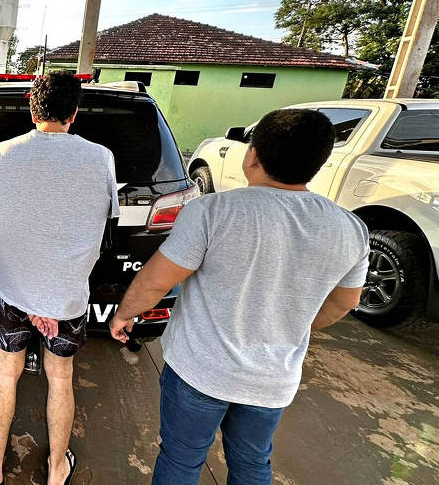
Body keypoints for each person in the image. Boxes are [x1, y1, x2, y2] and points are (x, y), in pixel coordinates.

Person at [110, 109, 370, 485]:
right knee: (252, 464)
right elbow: (344, 302)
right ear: (318, 163)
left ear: (253, 156)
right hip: (271, 380)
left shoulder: (212, 212)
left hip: (200, 372)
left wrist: (124, 315)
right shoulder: (350, 229)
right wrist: (290, 320)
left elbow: (154, 282)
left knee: (181, 461)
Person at [0, 71, 119, 485]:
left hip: (13, 290)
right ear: (74, 113)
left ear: (32, 109)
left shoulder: (2, 152)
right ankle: (56, 469)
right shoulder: (100, 157)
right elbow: (108, 227)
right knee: (61, 377)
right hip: (68, 296)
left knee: (5, 374)